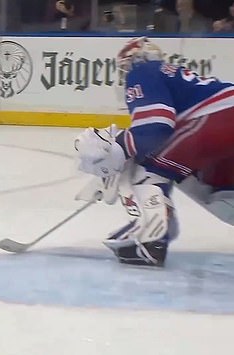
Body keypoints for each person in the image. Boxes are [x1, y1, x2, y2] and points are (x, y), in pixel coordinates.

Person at [74, 37, 234, 267]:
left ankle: (150, 242)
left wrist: (116, 146)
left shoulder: (142, 71)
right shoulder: (176, 77)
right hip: (222, 126)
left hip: (221, 120)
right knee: (221, 197)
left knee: (145, 167)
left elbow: (155, 128)